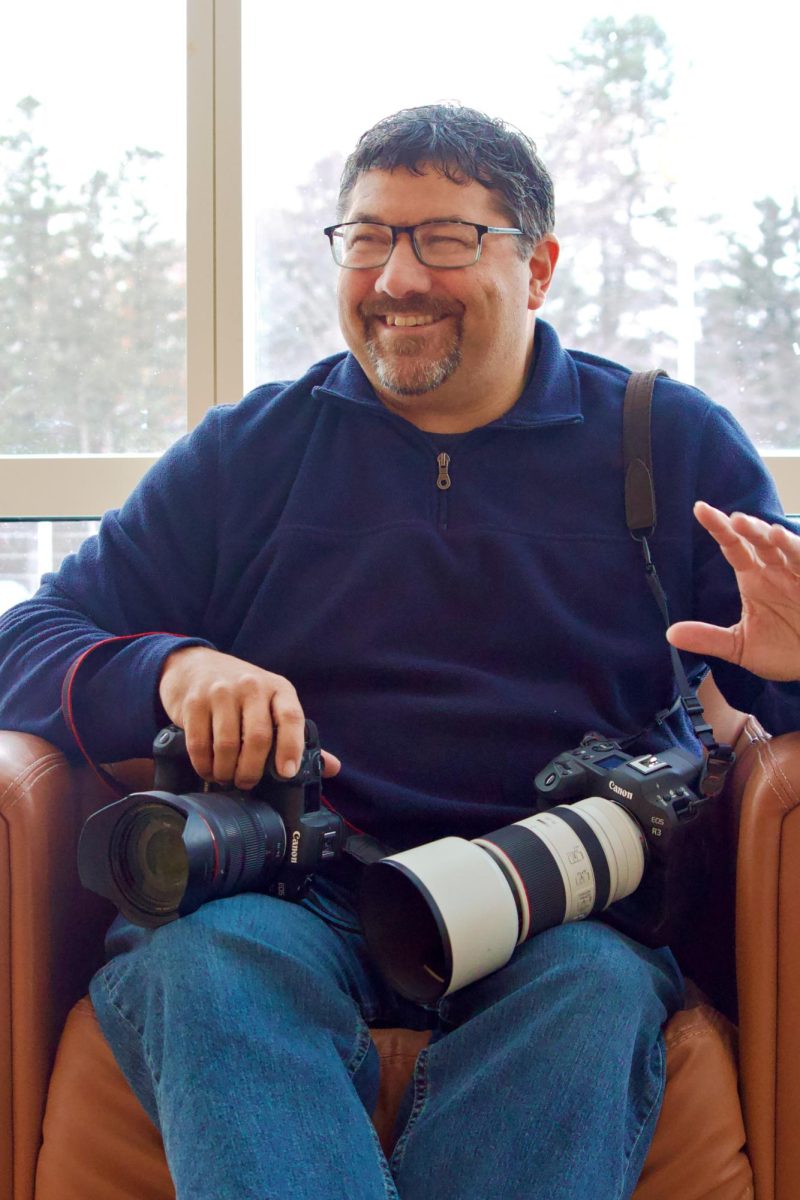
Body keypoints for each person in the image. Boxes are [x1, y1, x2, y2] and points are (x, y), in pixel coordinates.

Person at [0, 104, 798, 1200]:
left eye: (444, 238)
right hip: (287, 893)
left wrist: (792, 668)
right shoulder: (251, 452)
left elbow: (777, 686)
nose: (394, 277)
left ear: (537, 268)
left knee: (591, 998)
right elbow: (27, 641)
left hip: (560, 901)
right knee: (202, 969)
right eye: (367, 236)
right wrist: (177, 668)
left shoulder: (664, 443)